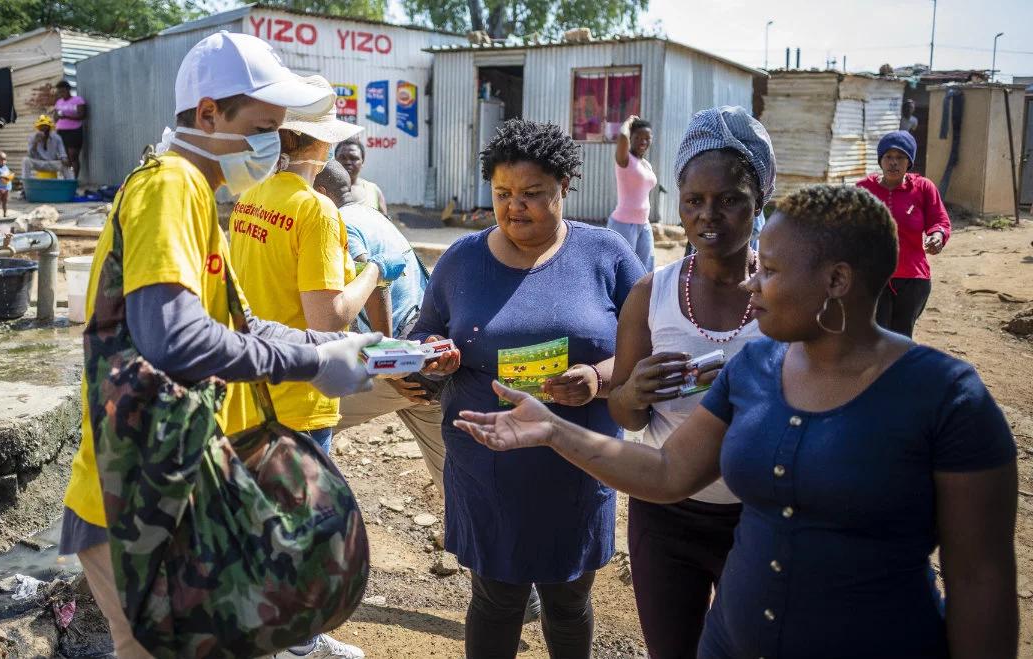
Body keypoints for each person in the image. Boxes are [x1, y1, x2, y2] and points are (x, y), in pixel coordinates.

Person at [456, 184, 1018, 659]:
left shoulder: (947, 400)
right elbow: (667, 472)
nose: (750, 284)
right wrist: (555, 430)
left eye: (769, 271)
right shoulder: (754, 367)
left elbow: (980, 583)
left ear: (837, 280)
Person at [58, 32, 381, 659]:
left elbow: (236, 323)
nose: (271, 147)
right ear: (208, 114)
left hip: (168, 487)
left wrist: (326, 348)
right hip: (136, 500)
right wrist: (312, 360)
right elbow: (173, 337)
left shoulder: (200, 196)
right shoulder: (170, 186)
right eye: (262, 128)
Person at [409, 119, 647, 658]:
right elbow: (424, 334)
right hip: (488, 467)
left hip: (578, 466)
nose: (515, 206)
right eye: (502, 193)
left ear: (565, 186)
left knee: (569, 599)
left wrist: (596, 379)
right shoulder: (461, 260)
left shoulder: (606, 256)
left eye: (533, 193)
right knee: (496, 597)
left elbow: (647, 344)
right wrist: (435, 357)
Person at [607, 106, 772, 659]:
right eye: (694, 201)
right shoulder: (649, 294)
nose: (710, 216)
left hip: (761, 515)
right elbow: (624, 415)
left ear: (759, 203)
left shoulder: (786, 300)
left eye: (729, 200)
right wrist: (633, 393)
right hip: (664, 514)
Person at [228, 75, 406, 462]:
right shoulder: (316, 210)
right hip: (298, 397)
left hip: (248, 388)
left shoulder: (249, 197)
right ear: (324, 144)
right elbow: (326, 320)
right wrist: (374, 271)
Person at [313, 159, 446, 494]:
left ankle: (320, 522)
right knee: (450, 471)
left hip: (403, 360)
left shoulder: (341, 221)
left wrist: (391, 364)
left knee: (307, 419)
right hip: (424, 361)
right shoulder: (372, 214)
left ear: (321, 192)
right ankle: (478, 541)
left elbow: (375, 283)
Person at [857, 130, 951, 337]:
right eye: (888, 157)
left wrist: (937, 235)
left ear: (909, 162)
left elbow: (940, 220)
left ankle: (899, 370)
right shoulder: (863, 189)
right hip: (875, 276)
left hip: (913, 279)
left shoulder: (924, 188)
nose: (893, 162)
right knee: (875, 336)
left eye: (900, 157)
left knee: (901, 338)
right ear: (880, 160)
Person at [609, 115, 657, 271]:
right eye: (638, 137)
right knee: (622, 268)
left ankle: (642, 296)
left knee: (645, 269)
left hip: (644, 224)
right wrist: (629, 122)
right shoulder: (625, 160)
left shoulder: (646, 164)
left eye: (647, 138)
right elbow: (622, 135)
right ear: (631, 137)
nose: (643, 141)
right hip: (623, 224)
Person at [334, 136, 388, 216]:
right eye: (342, 157)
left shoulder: (373, 191)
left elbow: (385, 224)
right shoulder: (323, 190)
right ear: (335, 161)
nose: (348, 162)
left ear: (362, 162)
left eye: (353, 158)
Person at [52, 80, 86, 178]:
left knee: (73, 155)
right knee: (65, 157)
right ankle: (67, 178)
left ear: (68, 90)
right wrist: (57, 117)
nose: (61, 94)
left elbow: (82, 115)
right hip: (61, 131)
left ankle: (75, 179)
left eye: (63, 91)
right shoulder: (59, 102)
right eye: (59, 92)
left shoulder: (78, 100)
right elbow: (55, 117)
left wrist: (67, 116)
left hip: (74, 130)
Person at [22, 114, 70, 179]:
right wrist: (35, 143)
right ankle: (26, 184)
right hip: (39, 163)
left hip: (52, 163)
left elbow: (62, 153)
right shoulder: (33, 137)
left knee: (65, 164)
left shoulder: (57, 138)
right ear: (38, 128)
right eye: (41, 127)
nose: (43, 130)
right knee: (25, 160)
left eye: (45, 127)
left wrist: (64, 159)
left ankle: (70, 183)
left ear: (49, 128)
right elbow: (30, 155)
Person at [0, 150, 13, 218]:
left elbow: (9, 174)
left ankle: (5, 213)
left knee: (5, 201)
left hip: (6, 187)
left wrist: (10, 176)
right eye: (1, 160)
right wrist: (3, 176)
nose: (4, 162)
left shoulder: (6, 167)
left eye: (5, 160)